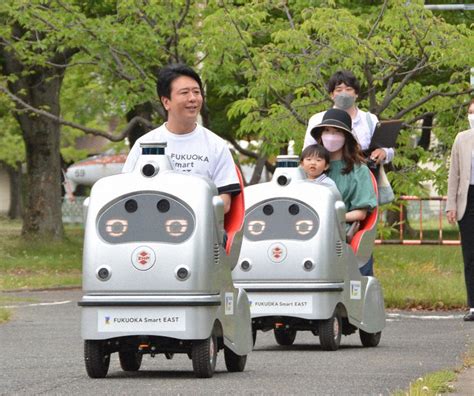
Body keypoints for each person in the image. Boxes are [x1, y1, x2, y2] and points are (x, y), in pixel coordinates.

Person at [122, 64, 240, 214]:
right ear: (166, 102)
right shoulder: (144, 145)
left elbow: (224, 203)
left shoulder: (216, 145)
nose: (192, 98)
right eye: (184, 93)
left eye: (196, 92)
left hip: (201, 232)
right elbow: (126, 195)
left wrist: (187, 216)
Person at [310, 108, 377, 275]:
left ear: (346, 137)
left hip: (341, 233)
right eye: (327, 131)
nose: (331, 136)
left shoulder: (358, 170)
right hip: (309, 231)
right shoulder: (308, 168)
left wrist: (333, 218)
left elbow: (361, 213)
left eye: (337, 132)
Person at [303, 70, 394, 169]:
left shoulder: (369, 119)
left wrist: (383, 152)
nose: (344, 93)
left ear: (356, 94)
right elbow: (308, 152)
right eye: (339, 90)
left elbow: (387, 148)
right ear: (331, 94)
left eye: (348, 89)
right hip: (327, 176)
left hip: (365, 175)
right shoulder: (318, 120)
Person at [446, 98, 474, 322]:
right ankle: (473, 304)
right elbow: (454, 174)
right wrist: (451, 205)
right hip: (469, 199)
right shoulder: (462, 139)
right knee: (470, 255)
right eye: (470, 112)